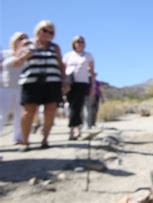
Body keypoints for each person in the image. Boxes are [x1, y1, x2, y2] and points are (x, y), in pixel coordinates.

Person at [19, 20, 66, 151]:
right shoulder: (27, 44)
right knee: (28, 112)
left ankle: (45, 139)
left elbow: (61, 65)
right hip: (31, 83)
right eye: (45, 30)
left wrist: (65, 80)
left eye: (51, 32)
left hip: (52, 82)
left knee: (50, 111)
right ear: (38, 30)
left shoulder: (55, 47)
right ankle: (25, 141)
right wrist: (26, 54)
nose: (48, 34)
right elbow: (17, 62)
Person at [63, 35, 95, 140]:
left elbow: (92, 72)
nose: (79, 43)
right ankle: (74, 129)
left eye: (81, 41)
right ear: (73, 44)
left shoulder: (88, 55)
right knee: (71, 107)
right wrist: (63, 84)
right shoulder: (68, 55)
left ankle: (75, 130)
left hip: (83, 83)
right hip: (70, 83)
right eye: (77, 42)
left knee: (78, 107)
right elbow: (63, 70)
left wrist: (93, 86)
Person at [1, 32, 30, 144]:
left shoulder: (28, 56)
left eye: (25, 39)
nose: (23, 41)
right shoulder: (5, 54)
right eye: (20, 39)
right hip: (4, 87)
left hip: (21, 88)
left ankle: (18, 137)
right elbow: (14, 63)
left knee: (19, 114)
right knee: (2, 115)